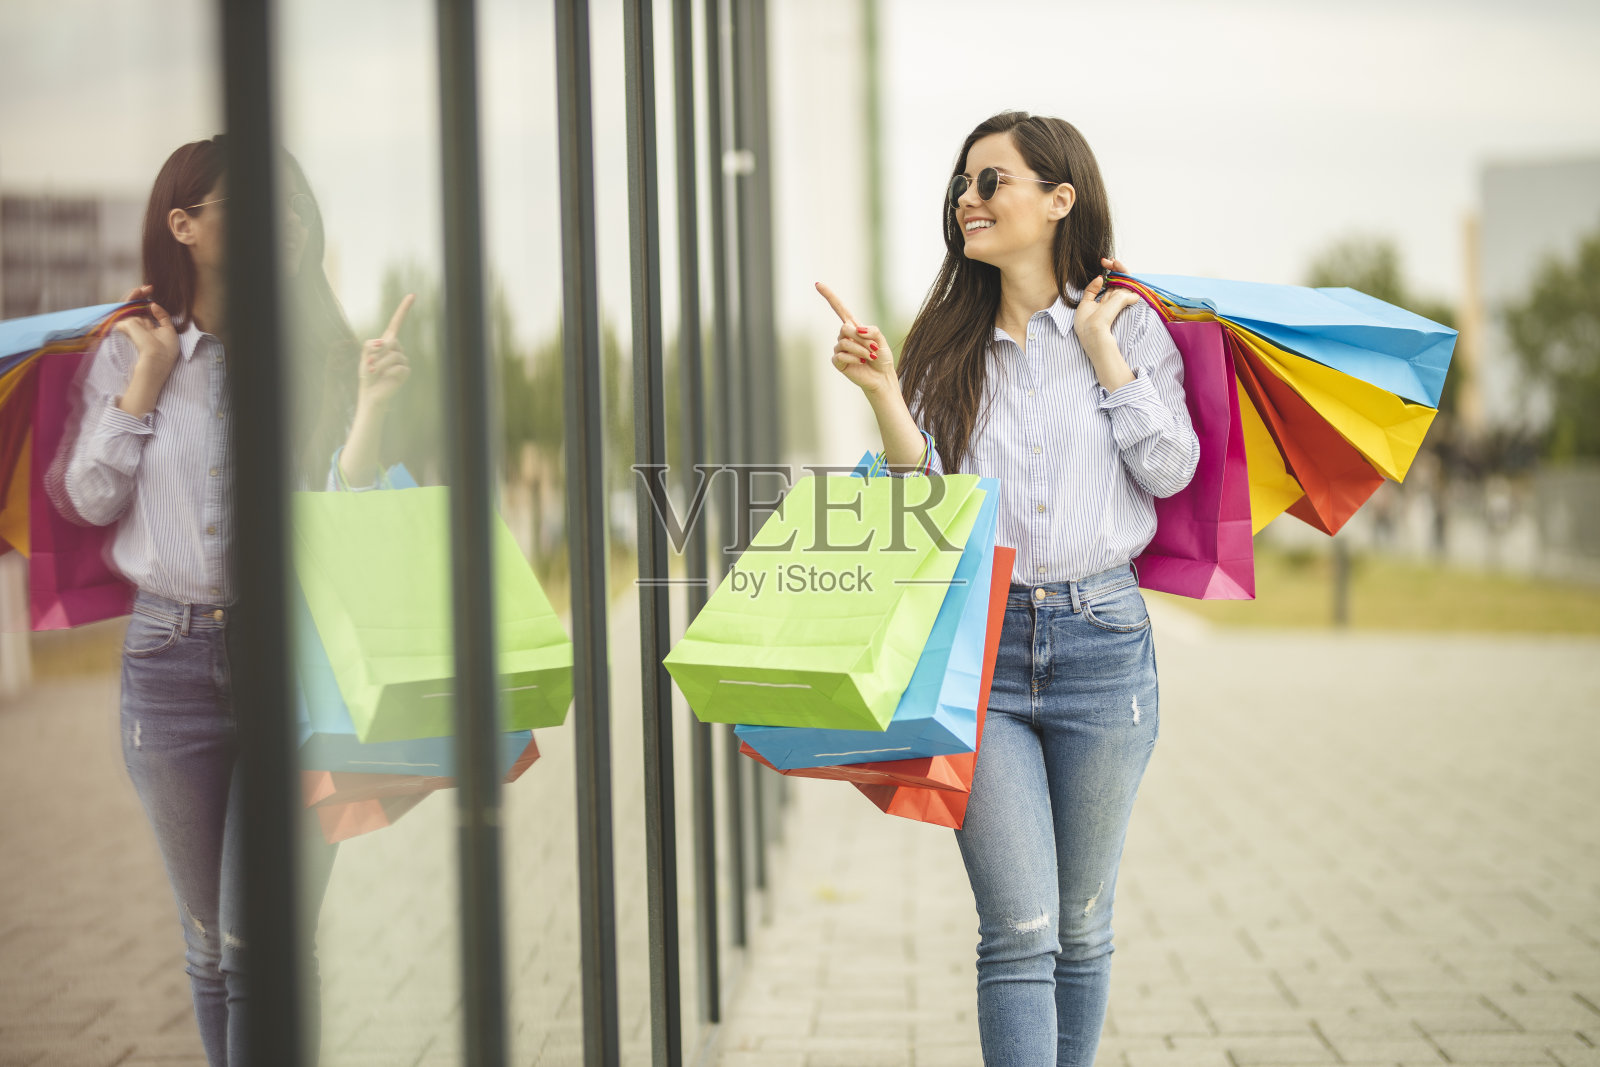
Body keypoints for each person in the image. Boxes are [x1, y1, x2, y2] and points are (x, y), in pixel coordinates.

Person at [819, 110, 1199, 1066]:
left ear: (1058, 199)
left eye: (992, 182)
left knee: (1080, 919)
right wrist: (881, 394)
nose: (968, 199)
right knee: (1020, 927)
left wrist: (1101, 350)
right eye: (963, 184)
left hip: (1103, 647)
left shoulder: (1135, 325)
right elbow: (924, 502)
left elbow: (1170, 470)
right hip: (979, 651)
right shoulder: (947, 341)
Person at [61, 135, 410, 1065]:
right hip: (166, 668)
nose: (284, 218)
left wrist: (370, 406)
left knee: (264, 941)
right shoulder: (132, 351)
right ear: (184, 226)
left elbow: (356, 513)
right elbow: (92, 498)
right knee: (212, 943)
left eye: (293, 203)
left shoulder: (327, 359)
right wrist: (147, 382)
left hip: (295, 668)